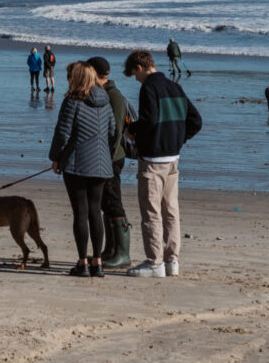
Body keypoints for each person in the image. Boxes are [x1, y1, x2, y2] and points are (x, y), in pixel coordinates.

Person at [124, 47, 202, 278]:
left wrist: (131, 129)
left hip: (153, 158)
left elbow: (149, 120)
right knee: (171, 210)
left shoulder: (149, 87)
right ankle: (172, 260)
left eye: (134, 75)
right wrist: (178, 139)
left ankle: (155, 262)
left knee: (151, 212)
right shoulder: (174, 86)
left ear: (140, 68)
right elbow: (195, 120)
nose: (136, 80)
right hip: (173, 157)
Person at [50, 61, 116, 277]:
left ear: (76, 78)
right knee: (95, 211)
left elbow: (62, 133)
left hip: (77, 163)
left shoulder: (72, 102)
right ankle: (97, 262)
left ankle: (83, 262)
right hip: (101, 163)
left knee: (81, 211)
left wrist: (55, 157)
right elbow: (112, 131)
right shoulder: (105, 101)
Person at [87, 56, 134, 270]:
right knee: (105, 203)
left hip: (112, 158)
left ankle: (123, 254)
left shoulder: (113, 96)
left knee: (113, 202)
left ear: (96, 73)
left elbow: (114, 134)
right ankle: (110, 249)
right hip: (104, 158)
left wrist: (103, 157)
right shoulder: (102, 93)